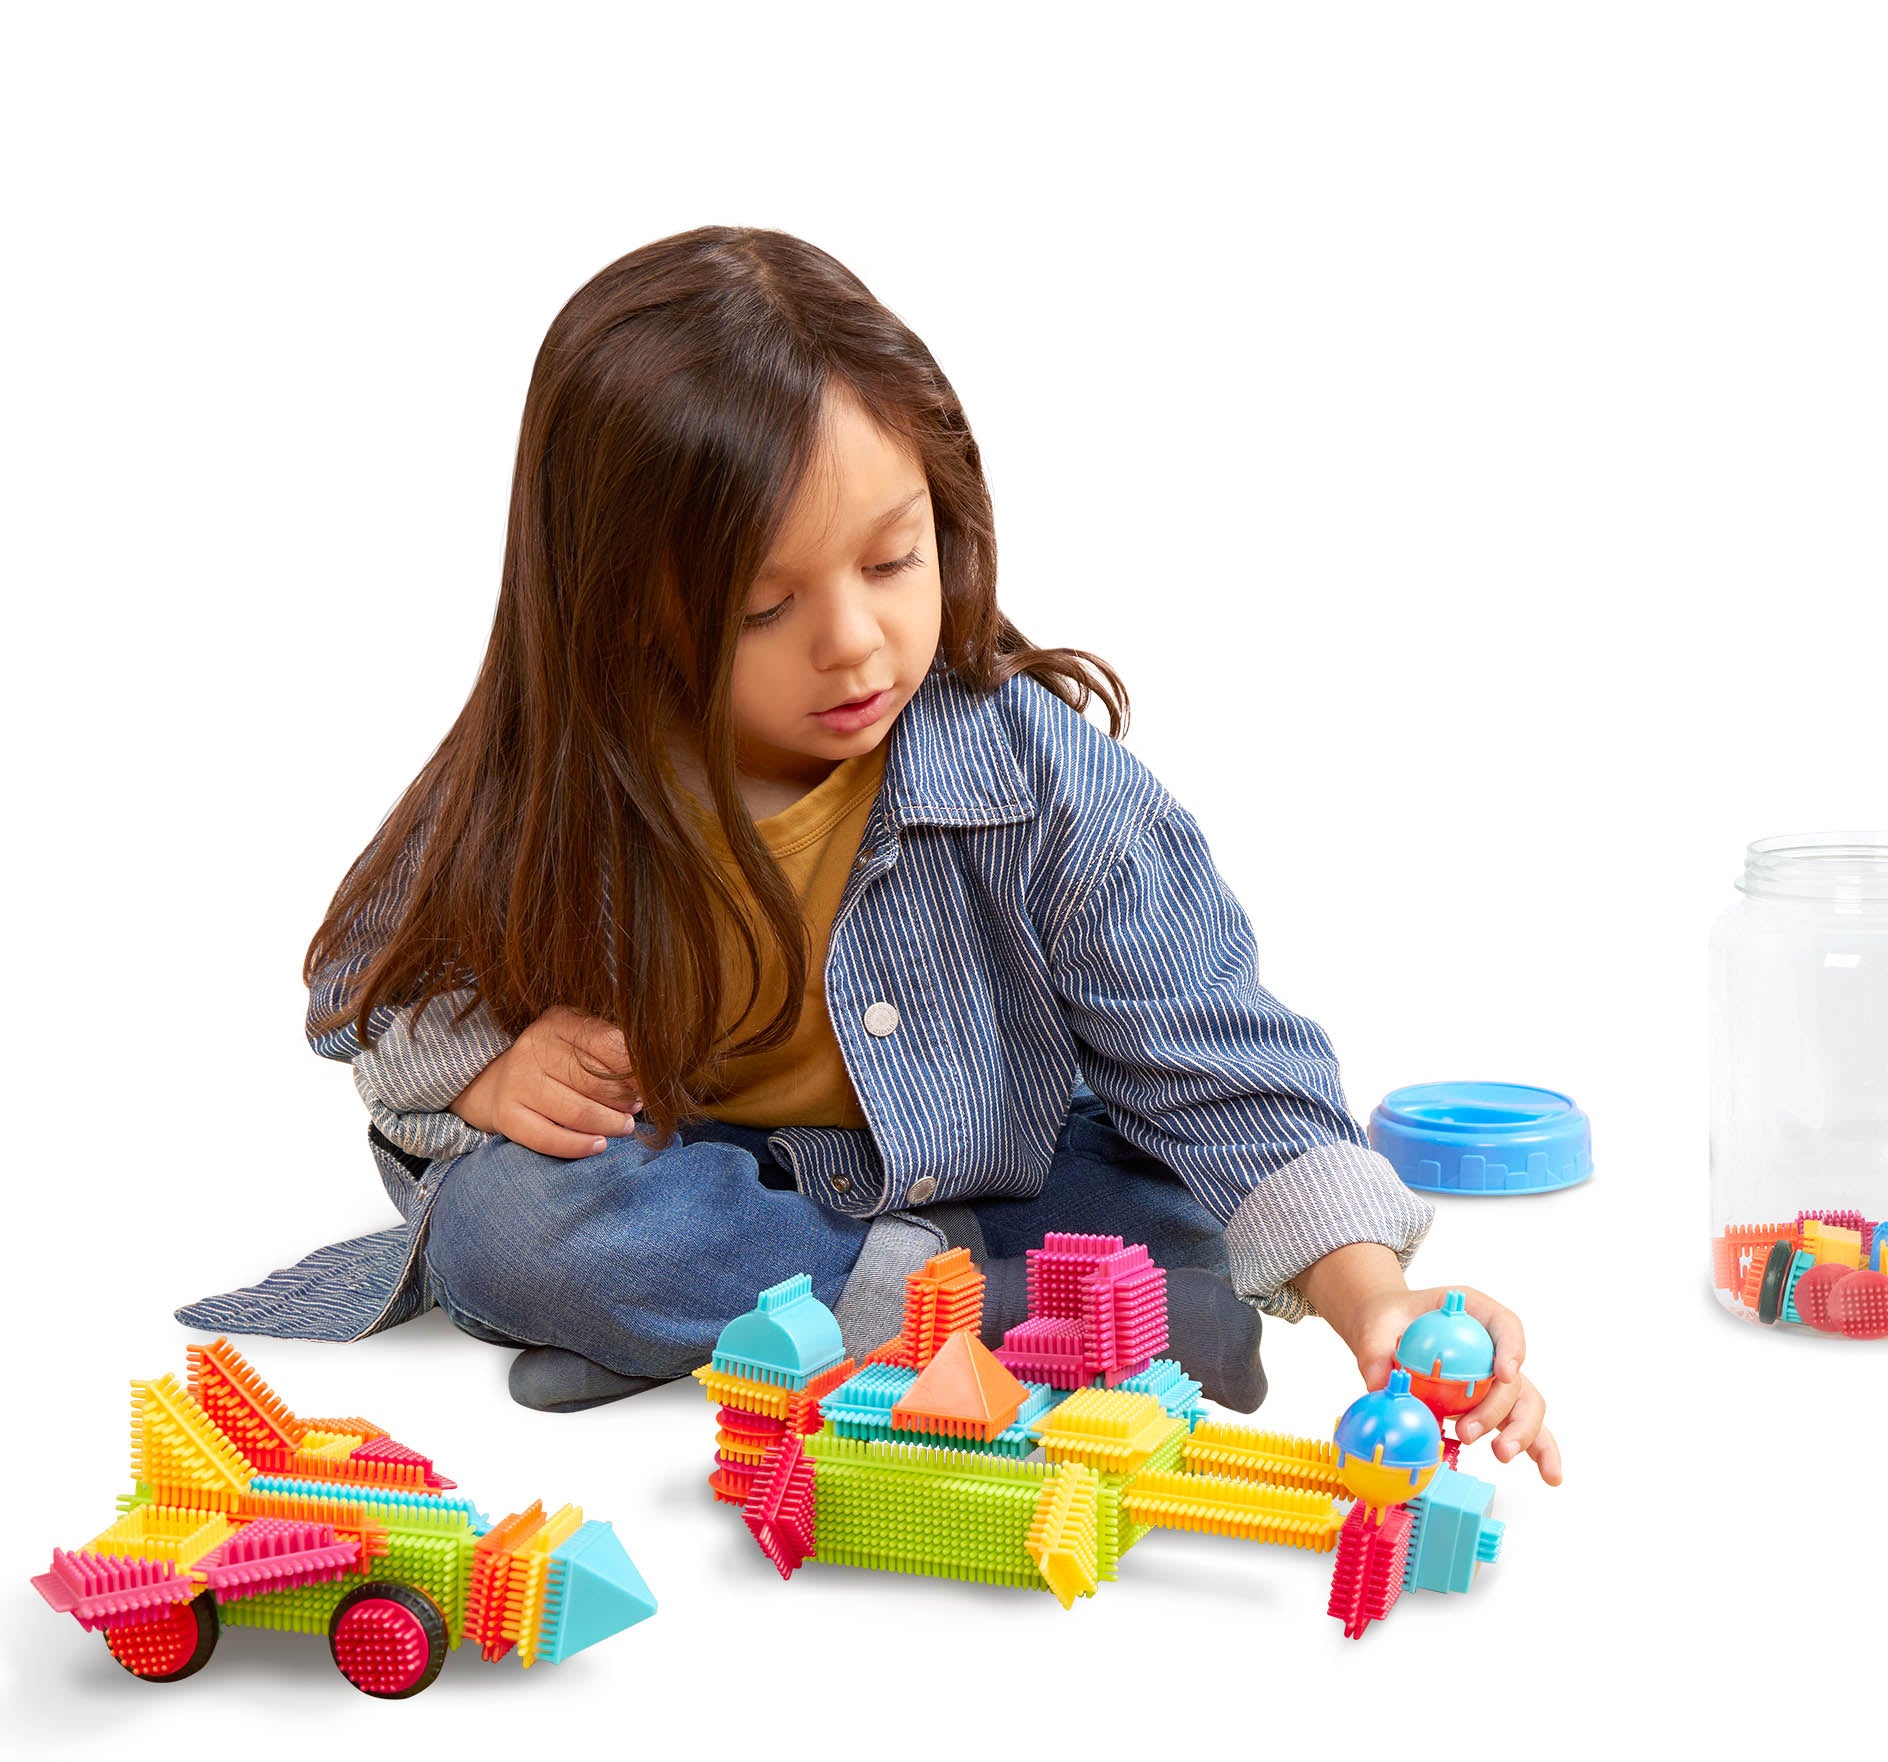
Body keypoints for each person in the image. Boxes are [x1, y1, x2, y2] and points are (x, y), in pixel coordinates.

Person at [178, 226, 1561, 1484]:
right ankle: (957, 1322)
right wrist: (484, 1068)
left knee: (1164, 1204)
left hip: (990, 1172)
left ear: (944, 515)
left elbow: (1220, 1064)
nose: (853, 645)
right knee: (517, 1232)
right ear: (619, 611)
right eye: (765, 607)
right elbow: (363, 983)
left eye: (894, 563)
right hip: (698, 1176)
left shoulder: (1034, 774)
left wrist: (1378, 1304)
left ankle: (762, 1338)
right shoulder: (557, 772)